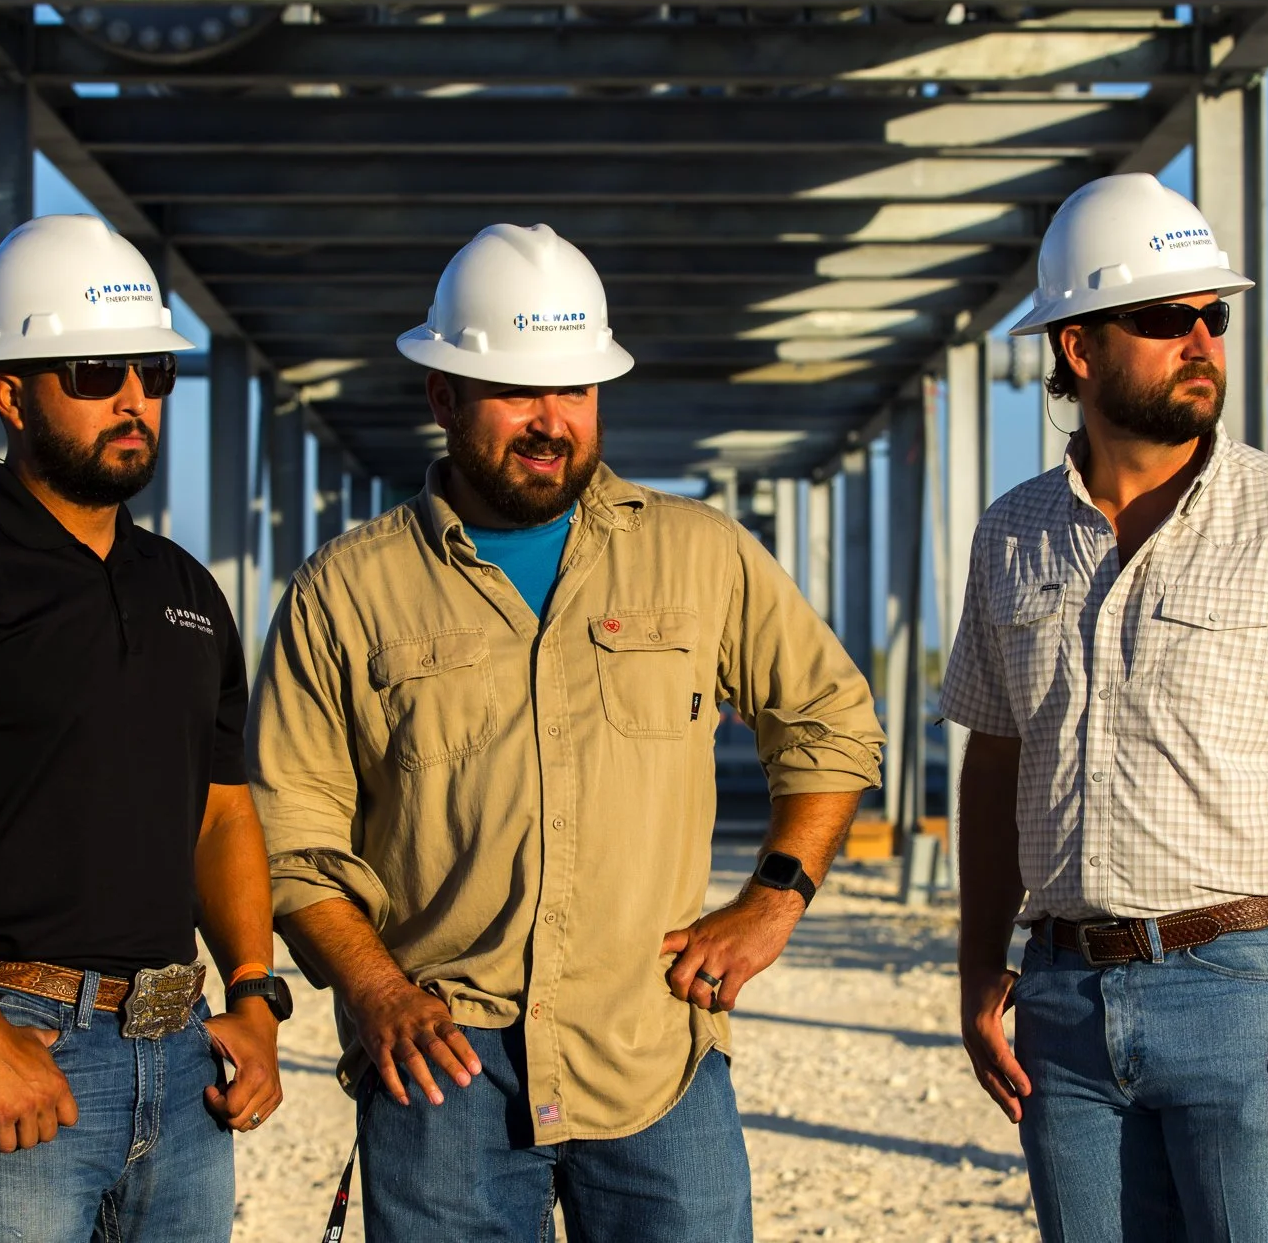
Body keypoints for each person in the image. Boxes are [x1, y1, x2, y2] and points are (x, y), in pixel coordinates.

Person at [247, 222, 885, 1242]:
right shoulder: (346, 591)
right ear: (442, 396)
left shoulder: (698, 557)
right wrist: (371, 988)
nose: (551, 421)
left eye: (575, 390)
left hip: (650, 1052)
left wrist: (773, 899)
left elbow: (830, 719)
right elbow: (288, 828)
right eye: (517, 392)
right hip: (438, 1062)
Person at [0, 215, 293, 1242]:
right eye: (91, 369)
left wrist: (252, 995)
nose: (131, 397)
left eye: (150, 371)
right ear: (8, 389)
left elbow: (220, 814)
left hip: (179, 1049)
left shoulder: (187, 593)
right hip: (12, 1045)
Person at [943, 172, 1268, 1241]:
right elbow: (994, 762)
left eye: (1212, 317)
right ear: (1076, 347)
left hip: (1244, 995)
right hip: (1058, 999)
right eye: (1164, 319)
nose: (1201, 340)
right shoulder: (1010, 534)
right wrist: (979, 966)